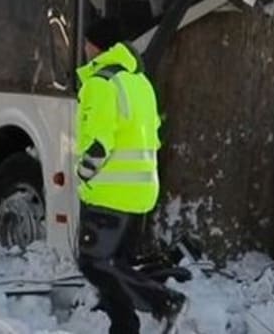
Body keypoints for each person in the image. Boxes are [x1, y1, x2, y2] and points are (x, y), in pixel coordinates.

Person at [75, 17, 187, 334]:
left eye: (87, 42)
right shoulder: (139, 83)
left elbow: (99, 144)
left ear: (97, 46)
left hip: (110, 192)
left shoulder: (100, 83)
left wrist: (82, 175)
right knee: (116, 266)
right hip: (140, 191)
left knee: (94, 263)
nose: (84, 48)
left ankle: (164, 301)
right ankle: (124, 329)